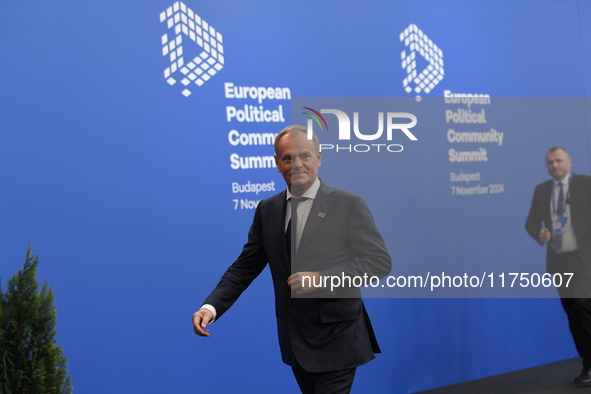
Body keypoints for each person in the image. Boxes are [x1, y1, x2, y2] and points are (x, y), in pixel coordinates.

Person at [192, 125, 392, 393]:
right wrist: (211, 308)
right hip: (295, 340)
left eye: (305, 156)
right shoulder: (267, 209)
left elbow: (378, 262)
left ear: (319, 158)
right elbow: (244, 267)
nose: (297, 164)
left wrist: (322, 279)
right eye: (288, 157)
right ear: (277, 163)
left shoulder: (348, 204)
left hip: (338, 337)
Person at [526, 146, 591, 385]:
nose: (554, 165)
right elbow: (531, 221)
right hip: (559, 261)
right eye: (550, 162)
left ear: (570, 162)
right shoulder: (542, 190)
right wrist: (539, 233)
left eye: (559, 161)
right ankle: (588, 365)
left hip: (585, 260)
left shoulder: (586, 184)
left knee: (584, 306)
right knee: (573, 315)